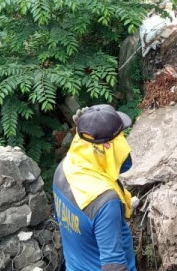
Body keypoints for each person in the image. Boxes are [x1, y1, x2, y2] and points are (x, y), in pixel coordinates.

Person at [53, 105, 137, 271]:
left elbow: (121, 165)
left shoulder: (64, 168)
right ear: (108, 146)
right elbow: (113, 265)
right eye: (121, 137)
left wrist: (87, 127)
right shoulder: (106, 201)